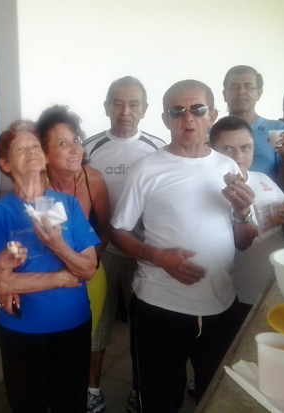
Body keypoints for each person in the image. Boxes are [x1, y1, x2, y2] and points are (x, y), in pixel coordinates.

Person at [110, 80, 258, 412]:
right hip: (160, 308)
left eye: (197, 109)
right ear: (166, 119)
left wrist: (242, 213)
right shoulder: (145, 170)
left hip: (221, 305)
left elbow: (244, 241)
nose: (187, 118)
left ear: (212, 116)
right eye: (177, 111)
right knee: (159, 401)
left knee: (217, 395)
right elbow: (118, 231)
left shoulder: (227, 168)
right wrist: (157, 256)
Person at [0, 120, 100, 413]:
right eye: (21, 149)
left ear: (45, 157)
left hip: (73, 326)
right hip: (21, 331)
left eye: (35, 146)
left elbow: (88, 269)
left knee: (70, 406)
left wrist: (58, 245)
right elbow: (1, 282)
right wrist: (61, 278)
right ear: (5, 163)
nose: (32, 151)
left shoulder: (68, 205)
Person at [82, 75, 165, 413]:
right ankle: (92, 391)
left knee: (144, 329)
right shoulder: (89, 148)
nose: (125, 111)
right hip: (101, 249)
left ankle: (138, 390)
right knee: (96, 326)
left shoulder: (158, 148)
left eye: (133, 104)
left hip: (143, 251)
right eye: (118, 103)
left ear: (144, 109)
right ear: (106, 107)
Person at [36, 104, 111, 337]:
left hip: (90, 273)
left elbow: (105, 228)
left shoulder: (93, 180)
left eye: (76, 140)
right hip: (50, 280)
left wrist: (89, 264)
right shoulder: (37, 186)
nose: (75, 149)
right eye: (63, 144)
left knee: (89, 342)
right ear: (44, 154)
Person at [209, 116, 284, 323]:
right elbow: (239, 243)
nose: (239, 156)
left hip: (281, 282)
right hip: (246, 295)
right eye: (228, 149)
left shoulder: (262, 178)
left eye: (245, 148)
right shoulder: (208, 190)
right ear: (212, 150)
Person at [222, 65, 284, 187]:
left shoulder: (276, 129)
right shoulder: (211, 132)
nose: (241, 91)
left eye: (248, 86)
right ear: (224, 95)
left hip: (268, 197)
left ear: (259, 93)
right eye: (234, 87)